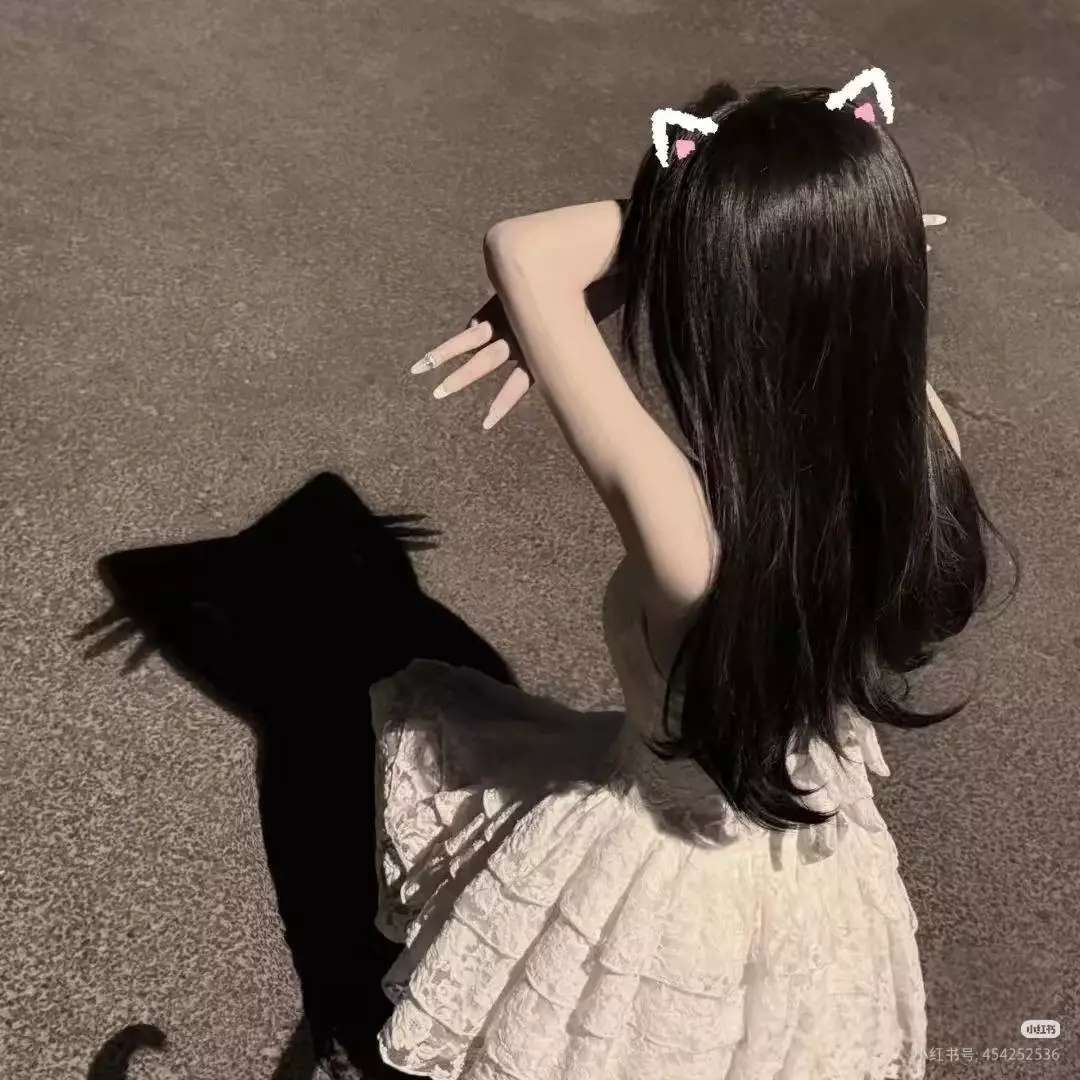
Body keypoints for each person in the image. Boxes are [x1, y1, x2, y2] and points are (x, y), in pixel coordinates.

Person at [367, 76, 1017, 1080]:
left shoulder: (689, 532)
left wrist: (666, 243)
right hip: (813, 864)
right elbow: (866, 314)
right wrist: (832, 233)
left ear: (714, 307)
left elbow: (525, 249)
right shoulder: (926, 445)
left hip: (660, 874)